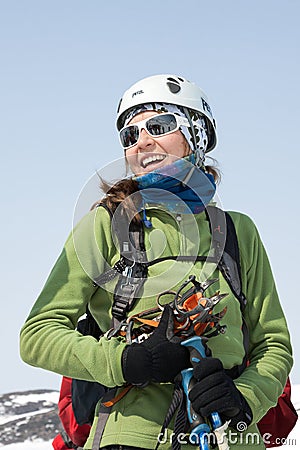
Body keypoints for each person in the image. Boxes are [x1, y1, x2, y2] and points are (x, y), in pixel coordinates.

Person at [20, 74, 293, 450]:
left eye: (159, 126)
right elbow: (37, 335)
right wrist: (125, 361)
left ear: (196, 132)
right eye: (129, 136)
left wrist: (245, 396)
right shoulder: (105, 225)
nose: (142, 142)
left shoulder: (237, 232)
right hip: (131, 436)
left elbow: (273, 344)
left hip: (233, 435)